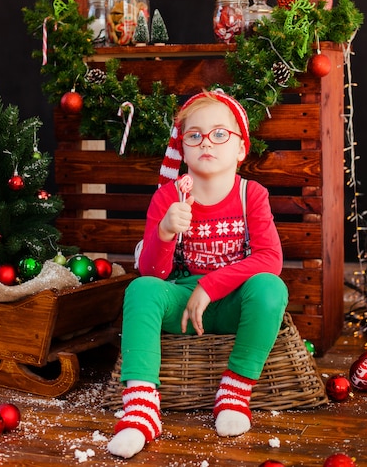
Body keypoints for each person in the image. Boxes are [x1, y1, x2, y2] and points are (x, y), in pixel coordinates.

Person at [107, 90, 288, 459]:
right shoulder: (168, 198)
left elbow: (270, 257)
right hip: (185, 303)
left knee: (270, 288)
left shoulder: (249, 195)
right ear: (183, 149)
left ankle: (235, 390)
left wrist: (211, 284)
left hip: (233, 301)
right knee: (141, 289)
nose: (207, 142)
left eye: (220, 133)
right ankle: (141, 405)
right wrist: (164, 233)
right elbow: (153, 271)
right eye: (195, 135)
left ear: (240, 149)